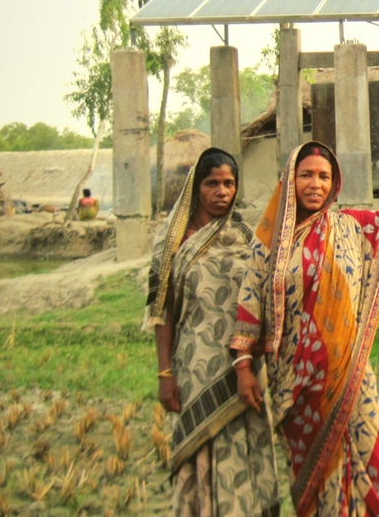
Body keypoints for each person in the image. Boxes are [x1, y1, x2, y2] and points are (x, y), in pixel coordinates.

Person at [231, 132, 379, 517]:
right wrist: (242, 367)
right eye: (306, 175)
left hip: (350, 378)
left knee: (371, 462)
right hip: (296, 386)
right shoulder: (268, 240)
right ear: (290, 180)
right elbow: (250, 300)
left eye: (323, 176)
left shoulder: (350, 227)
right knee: (314, 480)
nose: (315, 184)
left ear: (333, 183)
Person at [146, 148, 280, 517]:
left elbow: (262, 301)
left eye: (229, 183)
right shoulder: (171, 244)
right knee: (200, 446)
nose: (222, 191)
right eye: (212, 184)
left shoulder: (246, 238)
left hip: (243, 366)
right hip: (193, 365)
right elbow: (163, 313)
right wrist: (164, 373)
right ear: (196, 188)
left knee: (242, 444)